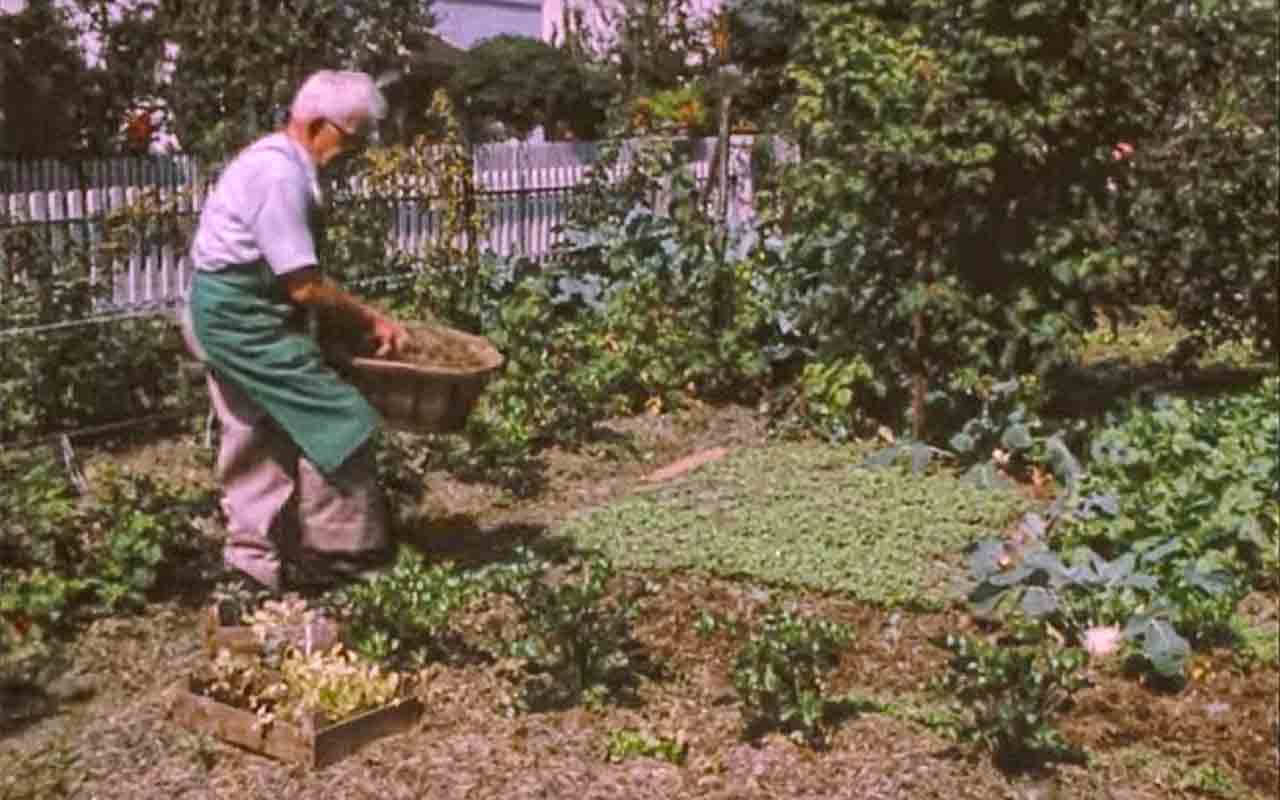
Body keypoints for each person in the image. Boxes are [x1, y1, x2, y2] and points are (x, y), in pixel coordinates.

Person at [180, 70, 411, 593]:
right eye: (350, 139)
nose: (353, 151)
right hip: (240, 320)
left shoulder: (286, 163)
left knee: (256, 433)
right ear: (316, 125)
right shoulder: (278, 175)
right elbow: (303, 285)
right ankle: (340, 555)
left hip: (239, 313)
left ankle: (255, 565)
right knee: (340, 418)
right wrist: (371, 319)